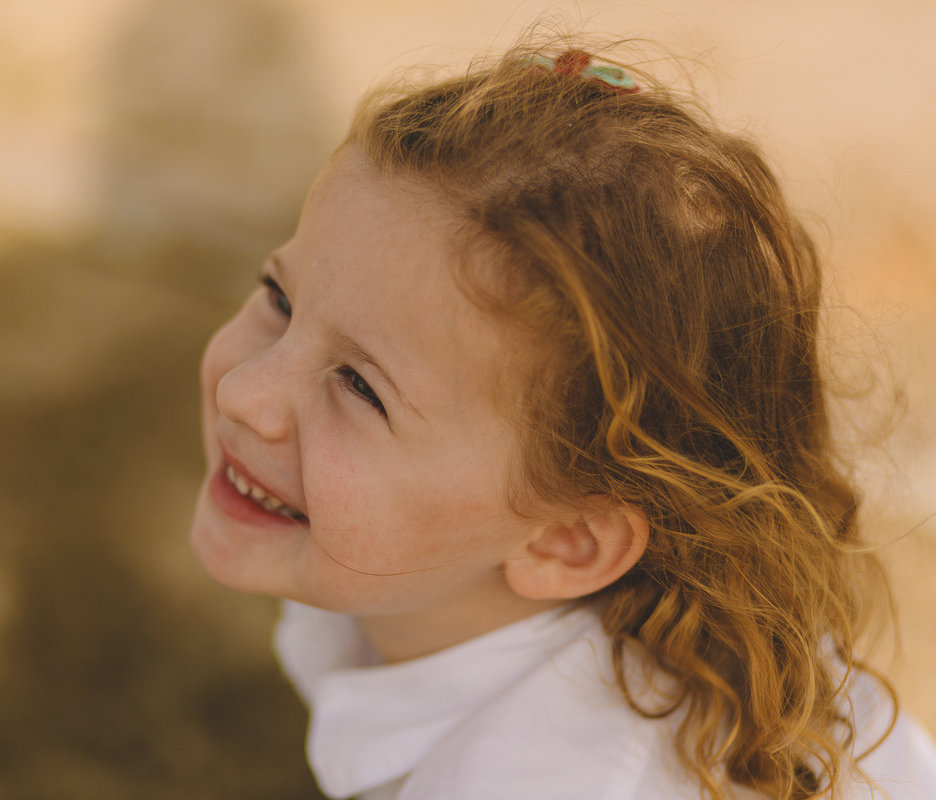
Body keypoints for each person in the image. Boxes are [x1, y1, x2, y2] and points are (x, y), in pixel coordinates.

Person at [188, 33, 936, 800]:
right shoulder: (412, 585)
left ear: (567, 540)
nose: (244, 391)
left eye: (360, 386)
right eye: (280, 299)